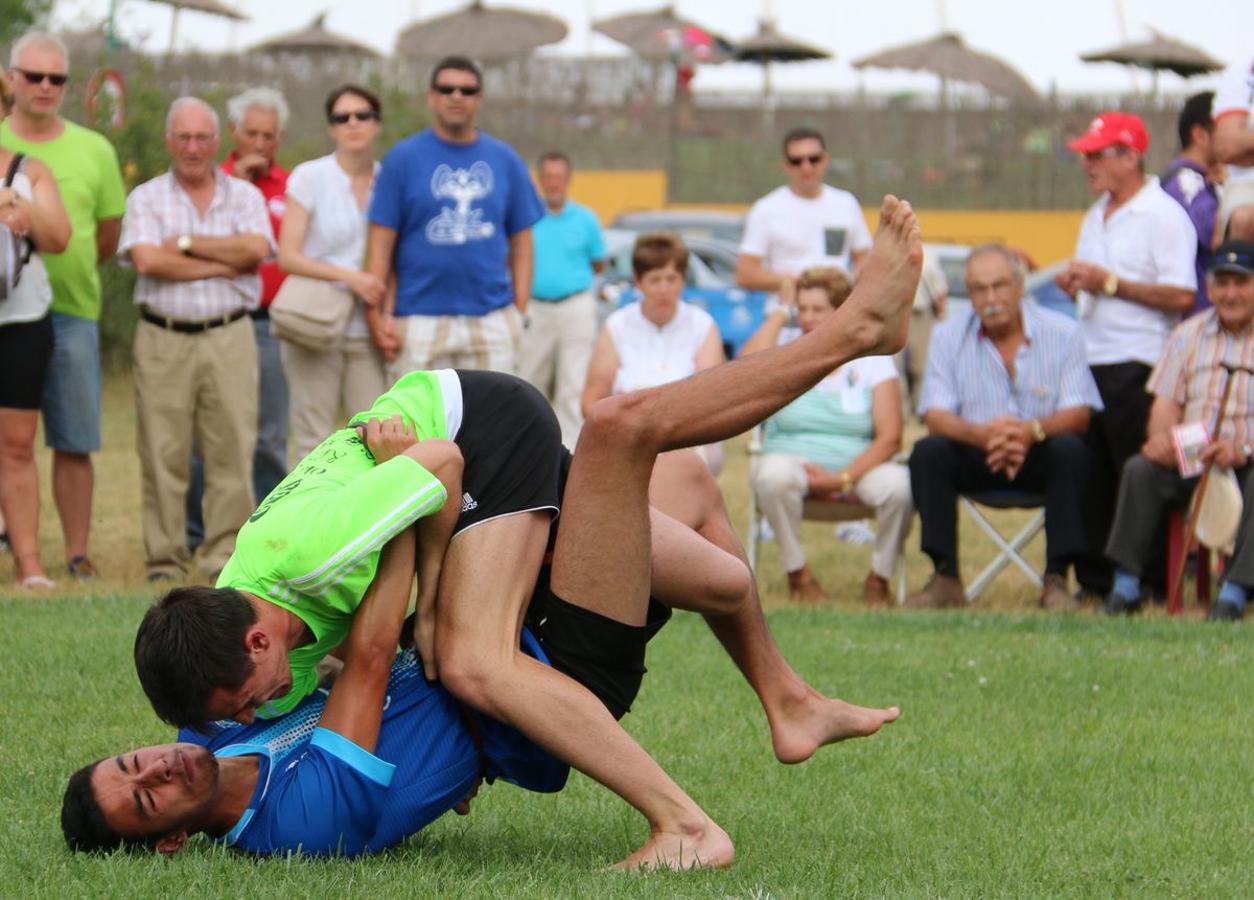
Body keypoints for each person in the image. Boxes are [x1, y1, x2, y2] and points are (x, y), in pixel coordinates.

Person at [130, 194, 924, 869]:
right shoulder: (238, 678)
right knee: (697, 520)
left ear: (259, 643)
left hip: (475, 442)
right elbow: (345, 671)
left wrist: (434, 613)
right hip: (529, 613)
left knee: (603, 454)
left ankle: (853, 332)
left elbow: (403, 561)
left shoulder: (302, 567)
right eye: (147, 785)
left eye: (137, 768)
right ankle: (789, 701)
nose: (231, 723)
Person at [63, 449, 798, 863]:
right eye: (149, 796)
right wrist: (407, 500)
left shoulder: (213, 724)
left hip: (489, 607)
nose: (160, 767)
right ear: (171, 841)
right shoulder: (294, 828)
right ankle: (689, 826)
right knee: (618, 435)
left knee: (688, 485)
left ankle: (785, 698)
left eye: (135, 761)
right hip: (547, 671)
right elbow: (374, 657)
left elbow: (318, 654)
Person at [118, 97, 276, 582]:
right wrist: (226, 263)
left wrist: (185, 245)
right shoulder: (146, 197)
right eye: (183, 137)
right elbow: (148, 262)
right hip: (163, 337)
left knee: (232, 447)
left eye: (202, 137)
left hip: (229, 334)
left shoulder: (244, 197)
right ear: (169, 140)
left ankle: (223, 557)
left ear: (217, 142)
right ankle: (165, 560)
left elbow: (257, 250)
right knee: (163, 451)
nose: (192, 147)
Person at [909, 245, 1105, 610]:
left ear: (1020, 287)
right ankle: (945, 576)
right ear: (968, 295)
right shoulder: (947, 335)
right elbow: (934, 414)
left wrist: (1031, 432)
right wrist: (983, 437)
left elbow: (1079, 413)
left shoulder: (1063, 332)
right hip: (976, 452)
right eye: (979, 289)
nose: (991, 298)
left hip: (1040, 453)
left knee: (1072, 449)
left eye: (999, 286)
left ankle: (1057, 578)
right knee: (928, 451)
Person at [1055, 112, 1197, 597]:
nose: (1086, 164)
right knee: (1093, 474)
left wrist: (1109, 284)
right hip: (1091, 359)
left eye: (1096, 155)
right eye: (1085, 155)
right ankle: (1096, 579)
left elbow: (1181, 296)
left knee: (1134, 473)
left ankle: (1148, 578)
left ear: (1130, 156)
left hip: (1138, 360)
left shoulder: (1163, 215)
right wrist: (1079, 284)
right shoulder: (1096, 215)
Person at [1, 31, 126, 581]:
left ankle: (74, 554)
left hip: (65, 311)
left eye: (57, 78)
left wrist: (18, 203)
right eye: (34, 76)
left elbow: (101, 236)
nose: (46, 87)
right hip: (24, 315)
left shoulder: (89, 150)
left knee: (71, 438)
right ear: (13, 80)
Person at [741, 266, 911, 605]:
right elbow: (741, 370)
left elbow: (890, 437)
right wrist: (779, 311)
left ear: (842, 311)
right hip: (791, 463)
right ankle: (798, 575)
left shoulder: (872, 358)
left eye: (818, 309)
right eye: (801, 309)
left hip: (857, 470)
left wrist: (841, 479)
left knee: (901, 485)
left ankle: (880, 579)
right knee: (772, 475)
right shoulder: (786, 351)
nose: (807, 318)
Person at [365, 55, 542, 379]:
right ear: (431, 97)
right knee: (414, 426)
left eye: (467, 90)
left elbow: (523, 242)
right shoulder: (403, 158)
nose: (456, 96)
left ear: (480, 99)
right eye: (446, 89)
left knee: (494, 426)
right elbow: (380, 243)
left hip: (491, 317)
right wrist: (376, 316)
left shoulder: (505, 159)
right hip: (418, 317)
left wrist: (518, 311)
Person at [1103, 241, 1254, 621]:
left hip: (1246, 460)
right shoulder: (1188, 334)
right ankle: (1126, 585)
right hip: (1194, 456)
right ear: (1210, 287)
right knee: (1141, 469)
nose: (1231, 293)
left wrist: (1242, 448)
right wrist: (1161, 440)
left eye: (1242, 283)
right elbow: (1166, 404)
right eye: (1222, 283)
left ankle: (1235, 591)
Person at [186, 87, 293, 553]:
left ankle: (268, 530)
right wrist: (240, 183)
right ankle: (194, 532)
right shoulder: (210, 181)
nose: (259, 143)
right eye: (251, 133)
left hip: (272, 324)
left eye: (268, 135)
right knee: (204, 434)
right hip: (218, 318)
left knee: (269, 434)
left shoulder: (292, 188)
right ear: (233, 133)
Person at [276, 84, 388, 461]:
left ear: (377, 123)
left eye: (362, 115)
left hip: (368, 329)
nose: (352, 123)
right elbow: (287, 256)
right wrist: (351, 278)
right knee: (313, 441)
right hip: (315, 323)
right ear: (331, 128)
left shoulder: (389, 179)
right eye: (342, 117)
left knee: (376, 439)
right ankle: (307, 521)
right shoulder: (310, 176)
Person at [0, 69, 70, 588]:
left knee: (18, 447)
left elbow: (60, 237)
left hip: (20, 323)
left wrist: (17, 204)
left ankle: (29, 564)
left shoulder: (29, 171)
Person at [581, 232, 725, 472]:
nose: (664, 289)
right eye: (654, 280)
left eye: (672, 279)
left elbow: (711, 397)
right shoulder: (618, 325)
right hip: (628, 434)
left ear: (683, 279)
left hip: (687, 434)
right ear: (638, 281)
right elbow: (591, 401)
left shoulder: (703, 325)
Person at [517, 150, 606, 447]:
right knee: (529, 379)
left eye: (559, 177)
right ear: (539, 180)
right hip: (536, 307)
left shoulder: (586, 219)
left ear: (568, 180)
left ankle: (570, 451)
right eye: (548, 177)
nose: (553, 183)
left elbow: (598, 262)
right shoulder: (527, 218)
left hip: (575, 306)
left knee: (574, 382)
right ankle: (530, 446)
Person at [735, 126, 872, 303]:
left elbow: (866, 259)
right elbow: (745, 274)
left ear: (826, 161)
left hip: (838, 315)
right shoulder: (766, 209)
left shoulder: (846, 203)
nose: (806, 167)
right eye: (796, 161)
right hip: (789, 319)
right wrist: (805, 283)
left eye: (814, 159)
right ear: (785, 166)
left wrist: (844, 284)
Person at [1162, 91, 1221, 312]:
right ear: (1200, 134)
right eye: (1225, 128)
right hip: (1197, 324)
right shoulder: (1185, 181)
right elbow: (1215, 237)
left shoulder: (1203, 179)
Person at [902, 249, 950, 413]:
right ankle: (901, 410)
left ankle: (920, 408)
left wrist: (942, 316)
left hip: (919, 316)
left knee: (920, 366)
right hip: (895, 314)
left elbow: (940, 291)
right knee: (895, 367)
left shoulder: (928, 257)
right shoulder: (887, 254)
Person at [1213, 56, 1254, 242]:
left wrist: (1246, 142)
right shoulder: (1243, 70)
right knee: (1244, 219)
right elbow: (1227, 147)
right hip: (1245, 187)